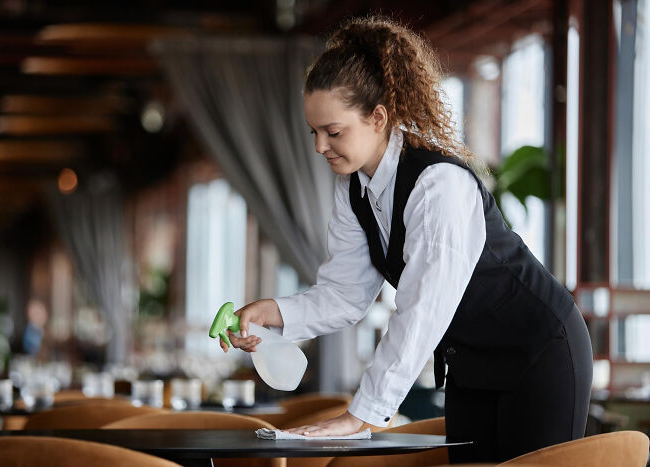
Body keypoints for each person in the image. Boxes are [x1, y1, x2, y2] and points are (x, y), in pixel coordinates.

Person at [219, 16, 592, 463]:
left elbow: (420, 312)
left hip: (541, 352)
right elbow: (345, 294)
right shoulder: (353, 187)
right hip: (473, 366)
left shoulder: (439, 187)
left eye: (333, 132)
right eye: (313, 132)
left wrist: (362, 415)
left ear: (378, 118)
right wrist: (276, 313)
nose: (320, 147)